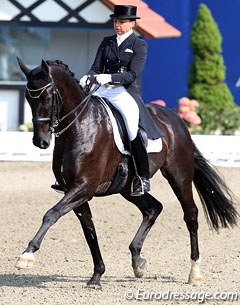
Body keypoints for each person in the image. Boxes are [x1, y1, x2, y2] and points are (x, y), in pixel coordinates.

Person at [52, 5, 163, 196]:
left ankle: (142, 177)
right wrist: (89, 76)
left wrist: (110, 78)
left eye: (121, 22)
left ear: (132, 23)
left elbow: (132, 75)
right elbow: (96, 67)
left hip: (124, 92)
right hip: (102, 90)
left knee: (130, 126)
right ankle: (64, 172)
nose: (117, 25)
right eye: (115, 22)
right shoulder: (107, 42)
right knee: (78, 118)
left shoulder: (139, 45)